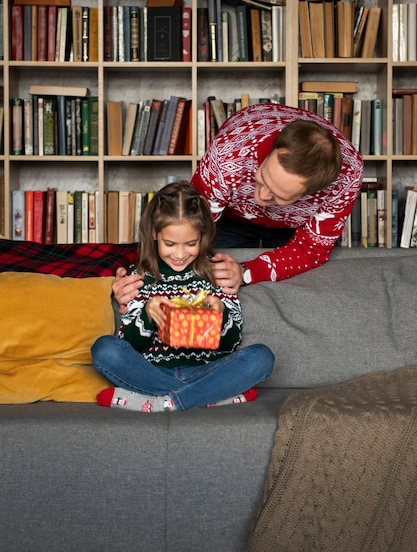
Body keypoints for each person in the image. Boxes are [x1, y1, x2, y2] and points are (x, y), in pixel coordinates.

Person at [112, 103, 363, 307]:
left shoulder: (346, 178)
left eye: (279, 197)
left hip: (294, 230)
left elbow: (311, 250)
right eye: (262, 179)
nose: (262, 198)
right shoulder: (230, 151)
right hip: (230, 218)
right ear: (267, 154)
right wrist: (141, 276)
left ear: (313, 192)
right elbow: (183, 227)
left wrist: (245, 272)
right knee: (202, 279)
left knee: (288, 295)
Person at [92, 181, 274, 413]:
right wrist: (148, 313)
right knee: (104, 349)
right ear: (155, 234)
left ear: (202, 237)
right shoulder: (138, 278)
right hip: (152, 370)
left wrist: (221, 313)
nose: (179, 255)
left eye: (190, 244)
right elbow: (130, 346)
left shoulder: (218, 274)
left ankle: (163, 402)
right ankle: (208, 396)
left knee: (261, 357)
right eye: (170, 244)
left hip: (206, 369)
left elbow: (231, 346)